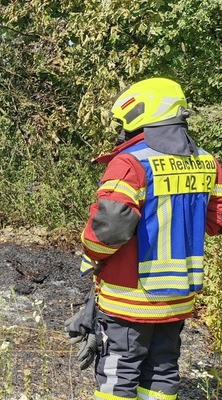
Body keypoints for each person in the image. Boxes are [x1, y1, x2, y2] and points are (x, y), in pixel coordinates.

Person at [72, 77, 222, 399]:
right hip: (178, 299)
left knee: (118, 372)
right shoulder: (207, 162)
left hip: (130, 300)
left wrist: (91, 255)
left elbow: (108, 230)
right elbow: (216, 220)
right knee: (163, 371)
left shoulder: (130, 163)